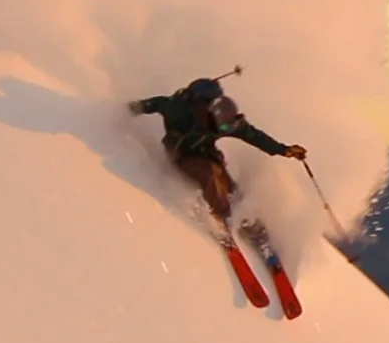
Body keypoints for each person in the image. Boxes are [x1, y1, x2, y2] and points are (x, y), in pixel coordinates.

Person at [127, 77, 307, 238]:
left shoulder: (223, 116)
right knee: (210, 174)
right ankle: (223, 216)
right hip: (181, 154)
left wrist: (284, 150)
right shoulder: (177, 109)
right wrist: (129, 110)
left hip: (207, 152)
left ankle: (244, 214)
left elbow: (253, 135)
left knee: (224, 180)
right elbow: (154, 104)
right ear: (197, 105)